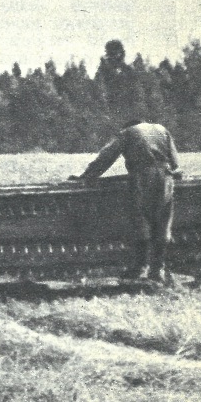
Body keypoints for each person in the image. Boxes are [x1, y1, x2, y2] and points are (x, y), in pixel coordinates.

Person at [70, 120, 180, 282]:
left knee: (140, 217)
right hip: (166, 178)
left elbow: (107, 157)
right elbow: (175, 162)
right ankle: (158, 270)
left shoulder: (128, 132)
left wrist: (86, 176)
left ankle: (141, 267)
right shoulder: (162, 130)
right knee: (162, 222)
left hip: (143, 177)